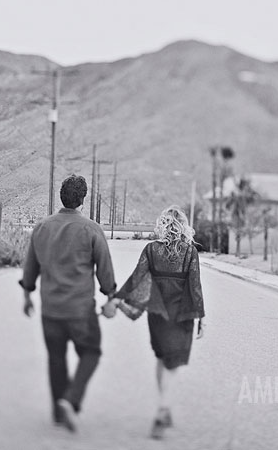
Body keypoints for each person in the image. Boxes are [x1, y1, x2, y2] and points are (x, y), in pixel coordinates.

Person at [19, 174, 117, 433]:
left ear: (61, 197)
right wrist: (110, 296)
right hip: (80, 309)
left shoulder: (42, 227)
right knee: (91, 352)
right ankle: (70, 400)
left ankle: (58, 413)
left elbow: (31, 266)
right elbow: (104, 269)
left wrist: (27, 295)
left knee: (56, 358)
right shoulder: (91, 229)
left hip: (51, 309)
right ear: (83, 199)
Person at [103, 205, 205, 440]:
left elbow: (135, 279)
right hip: (182, 316)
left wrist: (117, 299)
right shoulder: (190, 253)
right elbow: (195, 287)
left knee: (162, 359)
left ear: (163, 225)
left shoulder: (151, 250)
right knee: (173, 362)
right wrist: (201, 317)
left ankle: (164, 406)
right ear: (183, 226)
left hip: (157, 314)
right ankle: (163, 407)